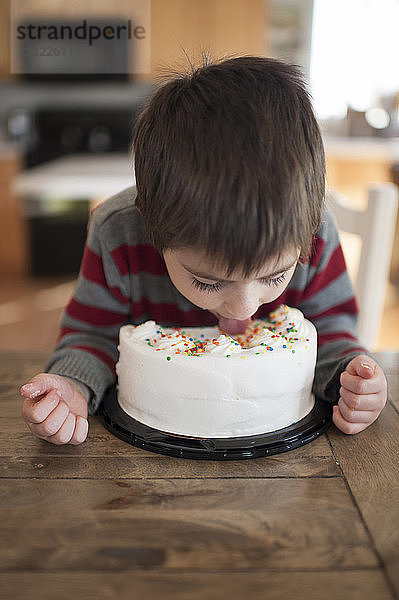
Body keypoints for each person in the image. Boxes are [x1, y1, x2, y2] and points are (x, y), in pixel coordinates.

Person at [20, 56, 387, 445]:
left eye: (276, 275)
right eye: (208, 282)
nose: (244, 308)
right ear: (151, 225)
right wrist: (73, 384)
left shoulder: (314, 230)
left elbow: (331, 328)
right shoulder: (119, 232)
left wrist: (351, 376)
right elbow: (91, 335)